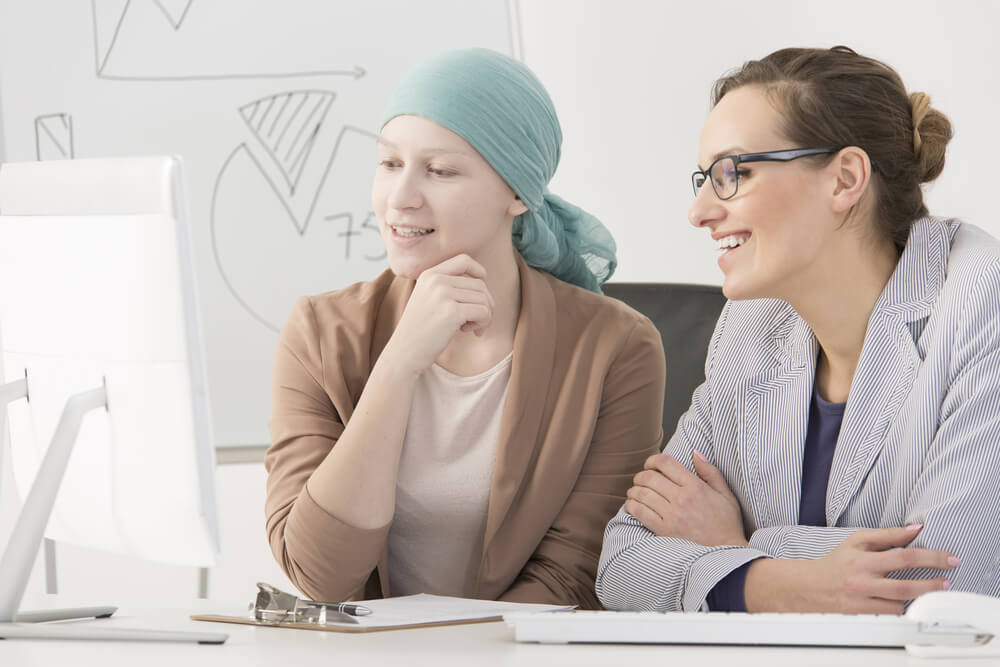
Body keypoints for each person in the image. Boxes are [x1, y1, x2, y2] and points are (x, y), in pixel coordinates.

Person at [597, 46, 1000, 614]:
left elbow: (947, 587)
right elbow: (620, 563)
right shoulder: (750, 325)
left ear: (844, 178)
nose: (699, 211)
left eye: (733, 173)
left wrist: (733, 547)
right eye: (705, 177)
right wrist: (786, 581)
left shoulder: (982, 299)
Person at [264, 48, 665, 609]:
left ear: (519, 194)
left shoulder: (615, 346)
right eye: (389, 164)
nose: (400, 198)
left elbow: (581, 571)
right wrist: (398, 365)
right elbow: (320, 575)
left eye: (441, 170)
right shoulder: (319, 332)